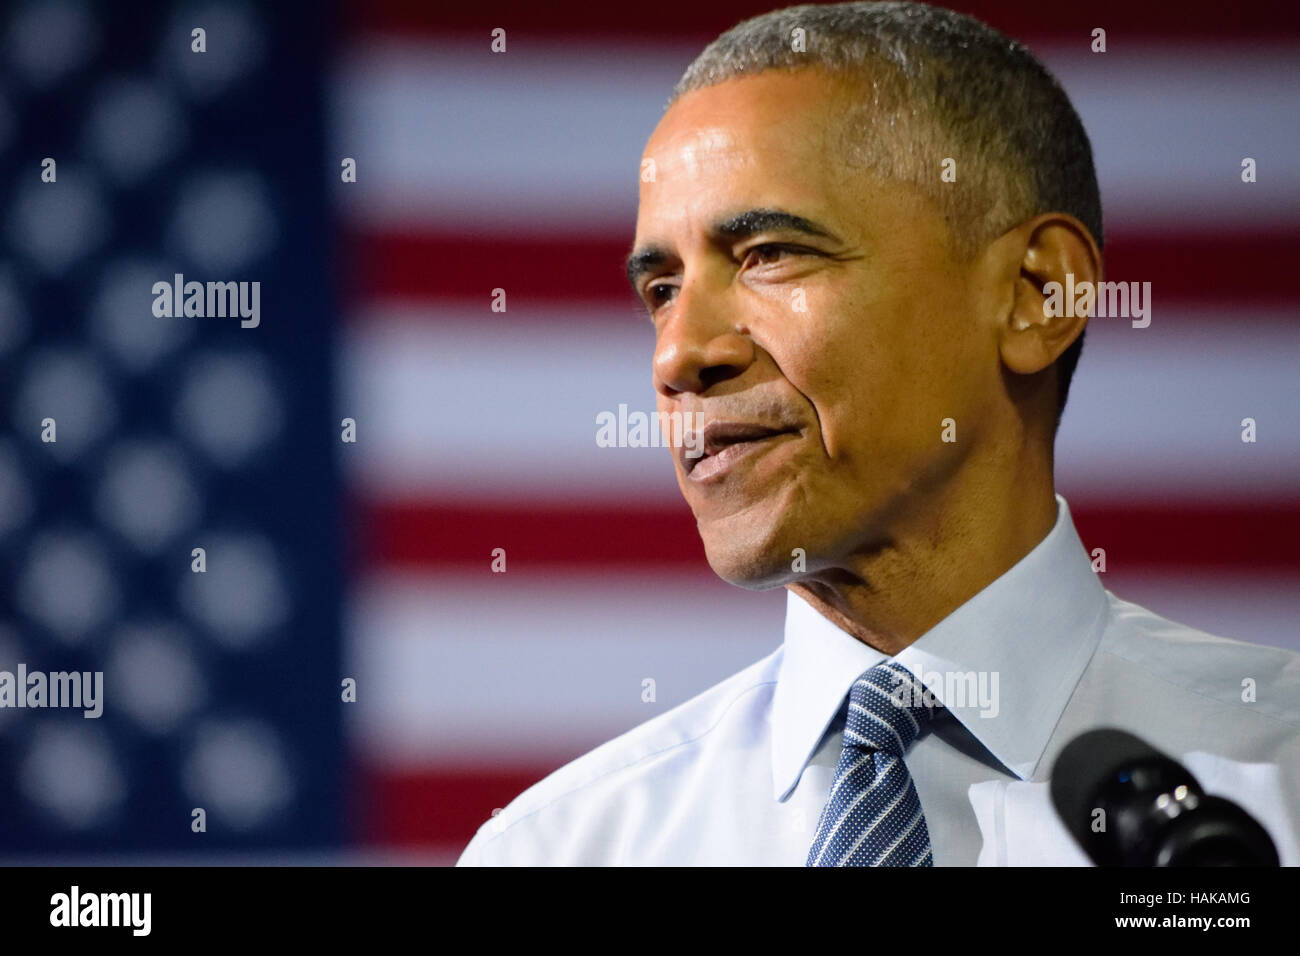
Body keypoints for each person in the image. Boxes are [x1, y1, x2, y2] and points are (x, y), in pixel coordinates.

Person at [456, 1, 1300, 866]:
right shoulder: (559, 848)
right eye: (661, 290)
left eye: (770, 253)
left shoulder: (1281, 778)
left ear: (1038, 294)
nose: (678, 354)